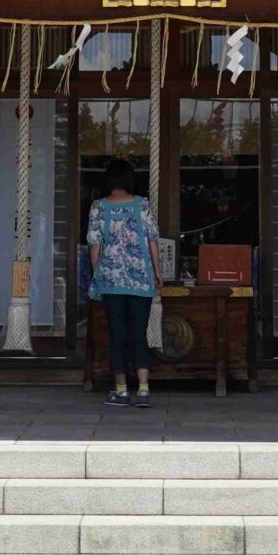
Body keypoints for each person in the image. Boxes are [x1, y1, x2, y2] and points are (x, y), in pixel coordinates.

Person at [87, 158, 160, 408]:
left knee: (116, 333)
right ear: (129, 179)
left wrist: (98, 273)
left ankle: (120, 390)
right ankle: (143, 389)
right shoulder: (142, 205)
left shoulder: (99, 207)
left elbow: (94, 245)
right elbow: (152, 240)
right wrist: (157, 272)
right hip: (141, 280)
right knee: (139, 332)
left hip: (111, 279)